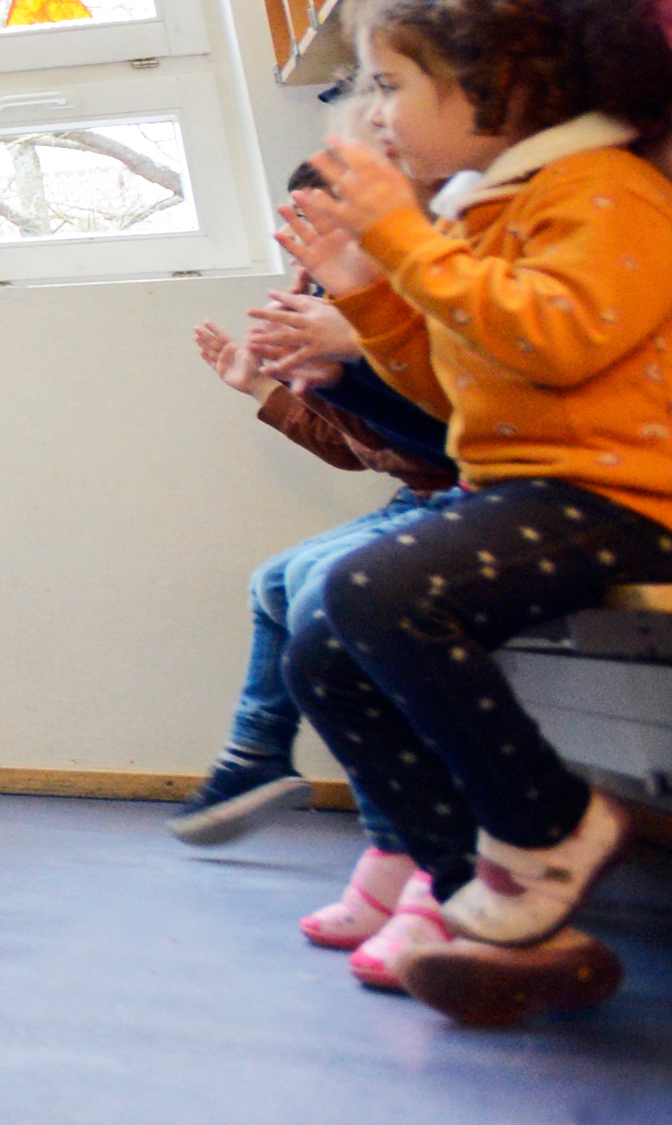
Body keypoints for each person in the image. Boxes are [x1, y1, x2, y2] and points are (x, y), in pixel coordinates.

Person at [279, 0, 672, 1025]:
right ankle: (482, 901)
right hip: (545, 492)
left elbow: (550, 339)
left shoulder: (605, 192)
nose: (373, 113)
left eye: (390, 83)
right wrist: (374, 294)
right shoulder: (482, 211)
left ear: (499, 91)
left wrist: (403, 242)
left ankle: (547, 830)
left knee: (374, 593)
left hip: (654, 496)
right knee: (321, 624)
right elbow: (457, 383)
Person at [190, 279, 461, 987]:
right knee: (273, 579)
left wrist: (343, 370)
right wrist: (268, 386)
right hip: (418, 498)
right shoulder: (345, 318)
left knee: (318, 588)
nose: (299, 280)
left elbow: (434, 443)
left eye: (313, 254)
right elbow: (358, 451)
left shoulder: (411, 312)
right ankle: (258, 750)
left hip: (462, 497)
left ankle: (402, 840)